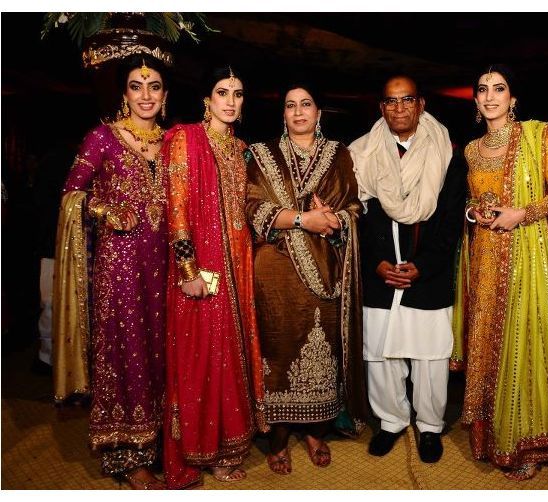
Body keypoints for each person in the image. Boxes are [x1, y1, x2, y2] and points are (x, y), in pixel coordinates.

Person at [54, 54, 169, 489]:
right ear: (124, 94)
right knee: (126, 350)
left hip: (166, 266)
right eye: (137, 87)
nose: (146, 95)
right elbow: (71, 194)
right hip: (120, 266)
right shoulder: (102, 137)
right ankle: (126, 452)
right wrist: (105, 209)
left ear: (165, 95)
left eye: (154, 87)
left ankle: (161, 443)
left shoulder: (173, 142)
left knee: (163, 351)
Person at [245, 81, 368, 475]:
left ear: (318, 113)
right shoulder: (261, 155)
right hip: (274, 269)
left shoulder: (339, 154)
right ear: (283, 114)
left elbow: (354, 207)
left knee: (323, 349)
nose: (298, 112)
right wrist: (303, 219)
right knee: (278, 348)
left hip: (326, 267)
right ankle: (278, 437)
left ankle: (317, 430)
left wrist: (335, 219)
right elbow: (252, 206)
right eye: (290, 105)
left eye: (306, 104)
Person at [459, 65, 548, 480]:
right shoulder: (471, 149)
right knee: (488, 338)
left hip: (527, 250)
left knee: (523, 337)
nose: (490, 96)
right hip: (486, 253)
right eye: (483, 89)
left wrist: (521, 213)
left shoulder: (536, 137)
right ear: (476, 100)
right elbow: (472, 199)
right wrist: (473, 212)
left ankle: (526, 442)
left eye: (499, 89)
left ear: (513, 98)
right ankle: (490, 438)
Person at [349, 75, 465, 464]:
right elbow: (356, 219)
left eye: (407, 100)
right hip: (380, 274)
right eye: (391, 101)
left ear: (421, 104)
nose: (399, 108)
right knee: (381, 357)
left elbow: (451, 222)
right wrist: (376, 264)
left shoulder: (447, 153)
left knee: (431, 358)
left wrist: (423, 266)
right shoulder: (361, 154)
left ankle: (430, 427)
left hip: (427, 275)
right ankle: (391, 421)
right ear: (381, 108)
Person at [162, 65, 265, 488]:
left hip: (237, 265)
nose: (230, 101)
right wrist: (188, 269)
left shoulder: (241, 148)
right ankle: (200, 447)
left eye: (237, 94)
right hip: (202, 266)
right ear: (207, 99)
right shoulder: (186, 139)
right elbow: (177, 207)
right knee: (203, 354)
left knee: (232, 351)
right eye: (222, 92)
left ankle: (227, 446)